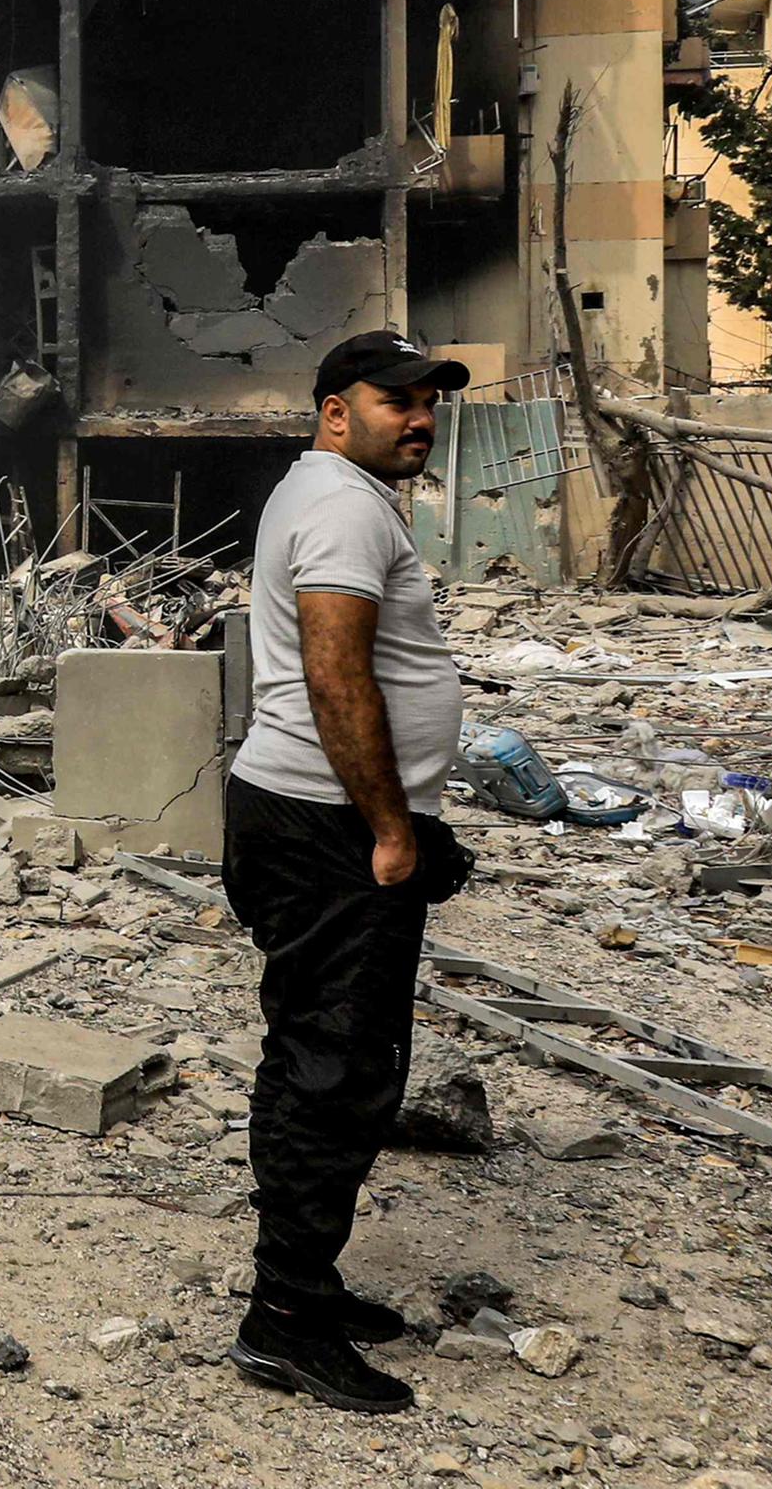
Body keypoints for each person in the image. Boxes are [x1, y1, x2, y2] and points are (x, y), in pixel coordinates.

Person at [221, 330, 476, 1415]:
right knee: (335, 1069)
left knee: (326, 1054)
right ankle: (283, 1322)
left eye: (429, 402)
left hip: (318, 816)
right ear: (335, 409)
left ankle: (304, 1288)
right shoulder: (338, 507)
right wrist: (391, 831)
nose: (419, 417)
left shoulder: (332, 493)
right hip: (329, 825)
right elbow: (336, 674)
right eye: (395, 399)